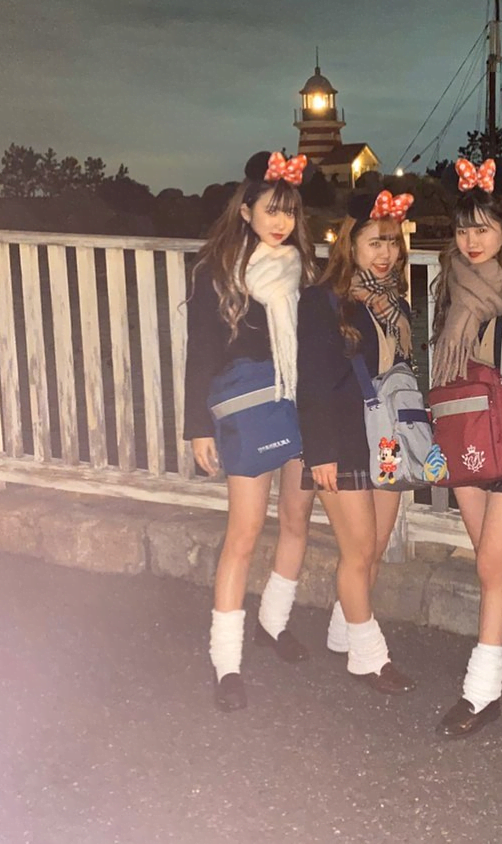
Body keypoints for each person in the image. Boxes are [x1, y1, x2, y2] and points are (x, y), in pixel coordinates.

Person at [184, 150, 319, 712]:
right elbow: (200, 352)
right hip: (246, 409)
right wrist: (198, 428)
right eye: (271, 210)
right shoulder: (217, 271)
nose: (281, 221)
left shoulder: (303, 268)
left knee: (296, 522)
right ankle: (227, 662)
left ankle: (274, 623)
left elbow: (317, 346)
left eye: (290, 211)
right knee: (243, 533)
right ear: (246, 211)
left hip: (300, 403)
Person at [431, 158, 502, 738]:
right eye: (463, 228)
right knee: (484, 554)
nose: (471, 240)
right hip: (466, 429)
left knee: (491, 563)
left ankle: (481, 691)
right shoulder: (448, 283)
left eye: (484, 229)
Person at [296, 189, 418, 696]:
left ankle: (342, 631)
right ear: (350, 245)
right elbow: (311, 381)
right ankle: (369, 658)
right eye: (374, 242)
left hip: (386, 438)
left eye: (392, 242)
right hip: (342, 440)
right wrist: (319, 452)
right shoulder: (323, 300)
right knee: (359, 548)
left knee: (377, 547)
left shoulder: (396, 303)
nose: (385, 253)